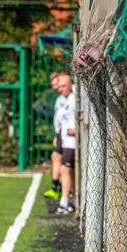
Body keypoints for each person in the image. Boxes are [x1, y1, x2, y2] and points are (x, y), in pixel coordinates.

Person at [54, 73, 76, 214]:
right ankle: (71, 200)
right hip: (66, 139)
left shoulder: (75, 98)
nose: (60, 89)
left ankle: (65, 202)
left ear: (70, 85)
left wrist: (77, 129)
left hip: (72, 142)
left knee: (66, 170)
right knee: (68, 171)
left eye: (62, 86)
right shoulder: (64, 99)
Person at [43, 72, 64, 199]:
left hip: (66, 134)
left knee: (57, 158)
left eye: (57, 83)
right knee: (57, 158)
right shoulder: (60, 98)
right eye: (53, 84)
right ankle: (58, 186)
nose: (55, 86)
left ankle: (57, 187)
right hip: (61, 133)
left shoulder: (69, 97)